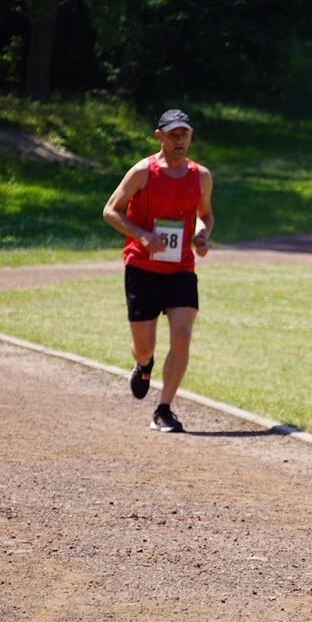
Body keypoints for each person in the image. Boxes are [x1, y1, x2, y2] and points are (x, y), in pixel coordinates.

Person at [102, 109, 214, 433]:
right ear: (159, 136)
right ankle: (143, 364)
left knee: (182, 336)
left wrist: (202, 235)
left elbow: (206, 216)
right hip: (142, 266)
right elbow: (110, 210)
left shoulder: (201, 176)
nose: (180, 141)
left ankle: (163, 408)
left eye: (185, 135)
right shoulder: (143, 172)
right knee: (145, 346)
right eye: (174, 135)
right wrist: (143, 236)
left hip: (180, 268)